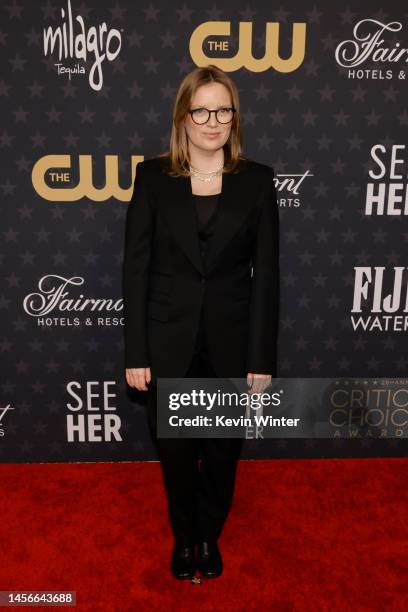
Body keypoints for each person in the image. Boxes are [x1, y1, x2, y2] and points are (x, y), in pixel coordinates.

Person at [122, 64, 280, 580]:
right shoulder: (151, 177)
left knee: (220, 454)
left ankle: (208, 536)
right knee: (175, 453)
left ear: (235, 117)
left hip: (231, 342)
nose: (213, 121)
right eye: (202, 110)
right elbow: (136, 270)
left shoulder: (257, 181)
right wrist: (137, 353)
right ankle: (184, 534)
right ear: (183, 116)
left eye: (223, 109)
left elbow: (267, 276)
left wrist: (260, 357)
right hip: (168, 340)